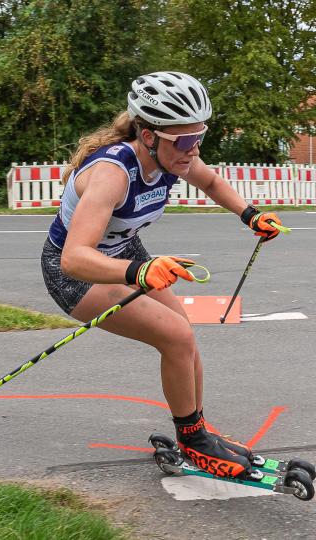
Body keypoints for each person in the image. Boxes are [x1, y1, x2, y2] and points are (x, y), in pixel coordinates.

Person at [40, 71, 283, 480]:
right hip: (79, 274)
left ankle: (196, 430)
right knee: (176, 335)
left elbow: (210, 180)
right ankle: (193, 441)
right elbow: (74, 258)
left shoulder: (174, 156)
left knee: (182, 333)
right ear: (149, 135)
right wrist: (141, 270)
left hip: (124, 254)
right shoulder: (112, 173)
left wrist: (251, 216)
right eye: (185, 141)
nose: (194, 149)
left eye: (199, 136)